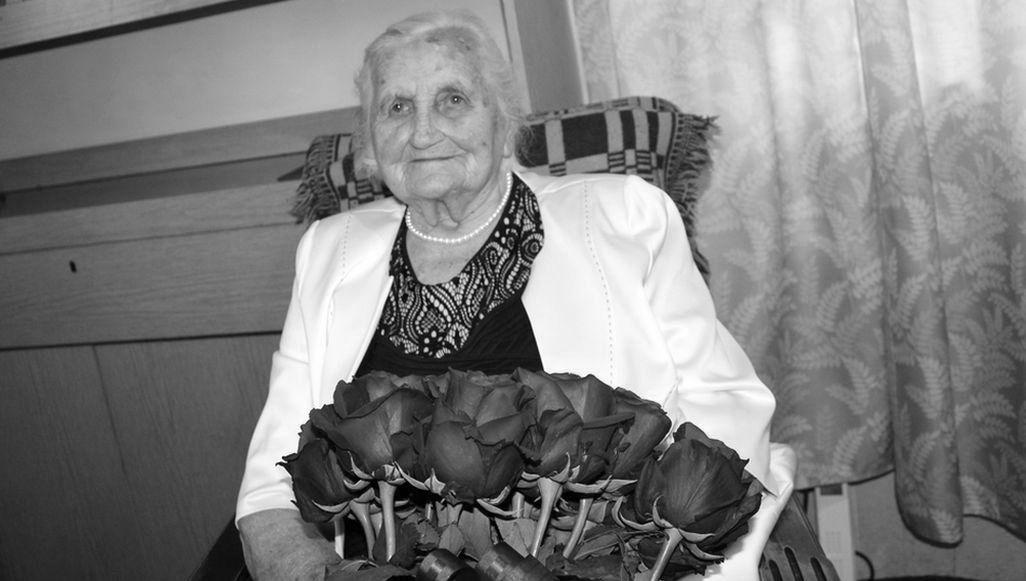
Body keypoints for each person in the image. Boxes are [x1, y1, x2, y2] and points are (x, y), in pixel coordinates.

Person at [237, 9, 789, 580]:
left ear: (505, 123)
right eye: (396, 107)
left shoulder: (625, 217)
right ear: (370, 145)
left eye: (452, 99)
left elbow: (724, 404)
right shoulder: (328, 249)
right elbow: (273, 474)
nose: (422, 132)